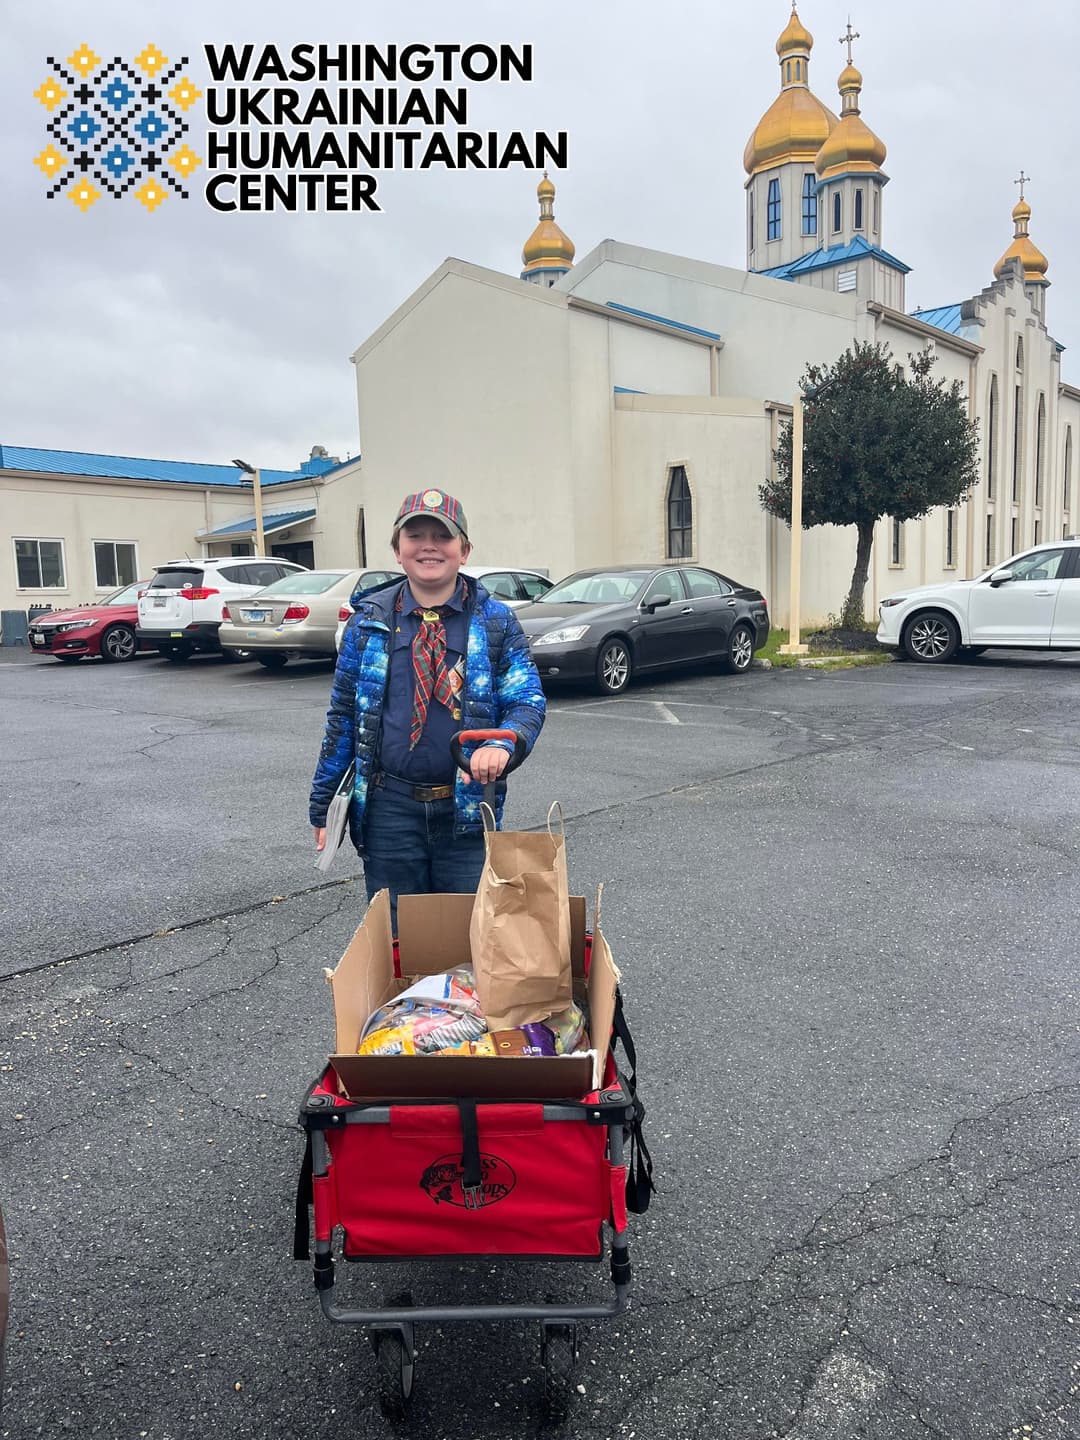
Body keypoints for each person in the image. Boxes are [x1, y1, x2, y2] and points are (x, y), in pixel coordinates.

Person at [309, 488, 546, 932]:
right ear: (398, 551)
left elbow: (525, 698)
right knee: (398, 938)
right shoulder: (368, 621)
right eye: (415, 535)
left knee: (468, 937)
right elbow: (343, 716)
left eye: (443, 535)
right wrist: (324, 805)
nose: (429, 545)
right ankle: (405, 1004)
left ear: (465, 550)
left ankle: (460, 1005)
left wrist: (503, 741)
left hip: (468, 809)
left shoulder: (495, 621)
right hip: (388, 810)